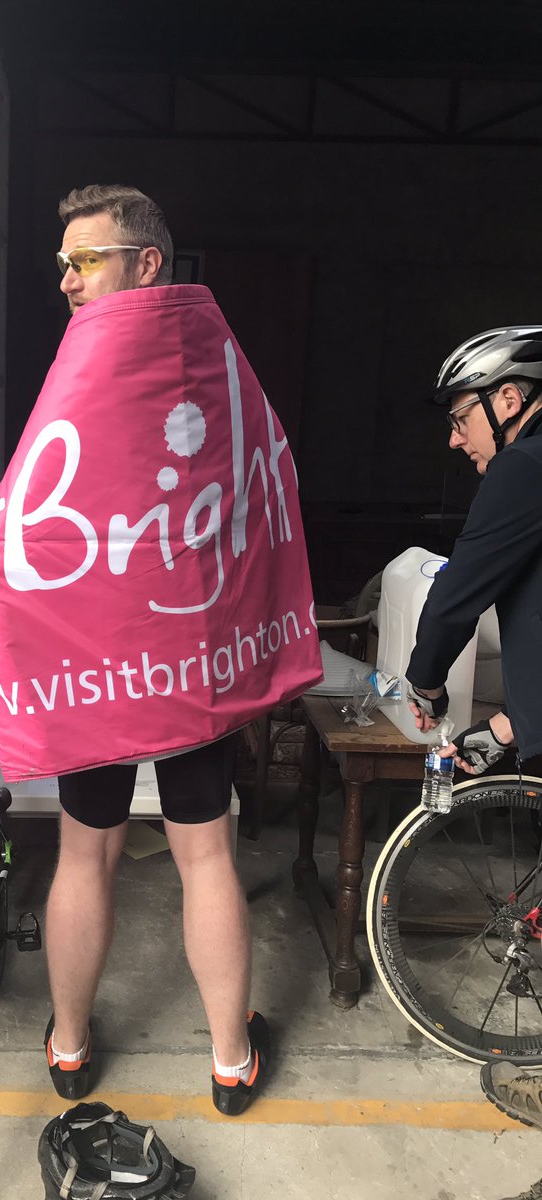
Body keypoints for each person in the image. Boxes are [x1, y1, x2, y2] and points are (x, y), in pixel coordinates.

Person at [40, 184, 304, 1116]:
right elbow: (264, 486)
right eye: (64, 263)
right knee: (205, 853)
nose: (67, 280)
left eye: (86, 261)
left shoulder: (84, 367)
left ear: (147, 262)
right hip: (188, 656)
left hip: (95, 659)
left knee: (87, 852)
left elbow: (34, 513)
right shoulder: (212, 363)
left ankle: (70, 1051)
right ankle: (232, 1061)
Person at [403, 327, 542, 1197]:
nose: (457, 440)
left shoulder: (525, 467)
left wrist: (425, 680)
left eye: (463, 418)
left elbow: (458, 591)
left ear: (511, 399)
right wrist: (511, 723)